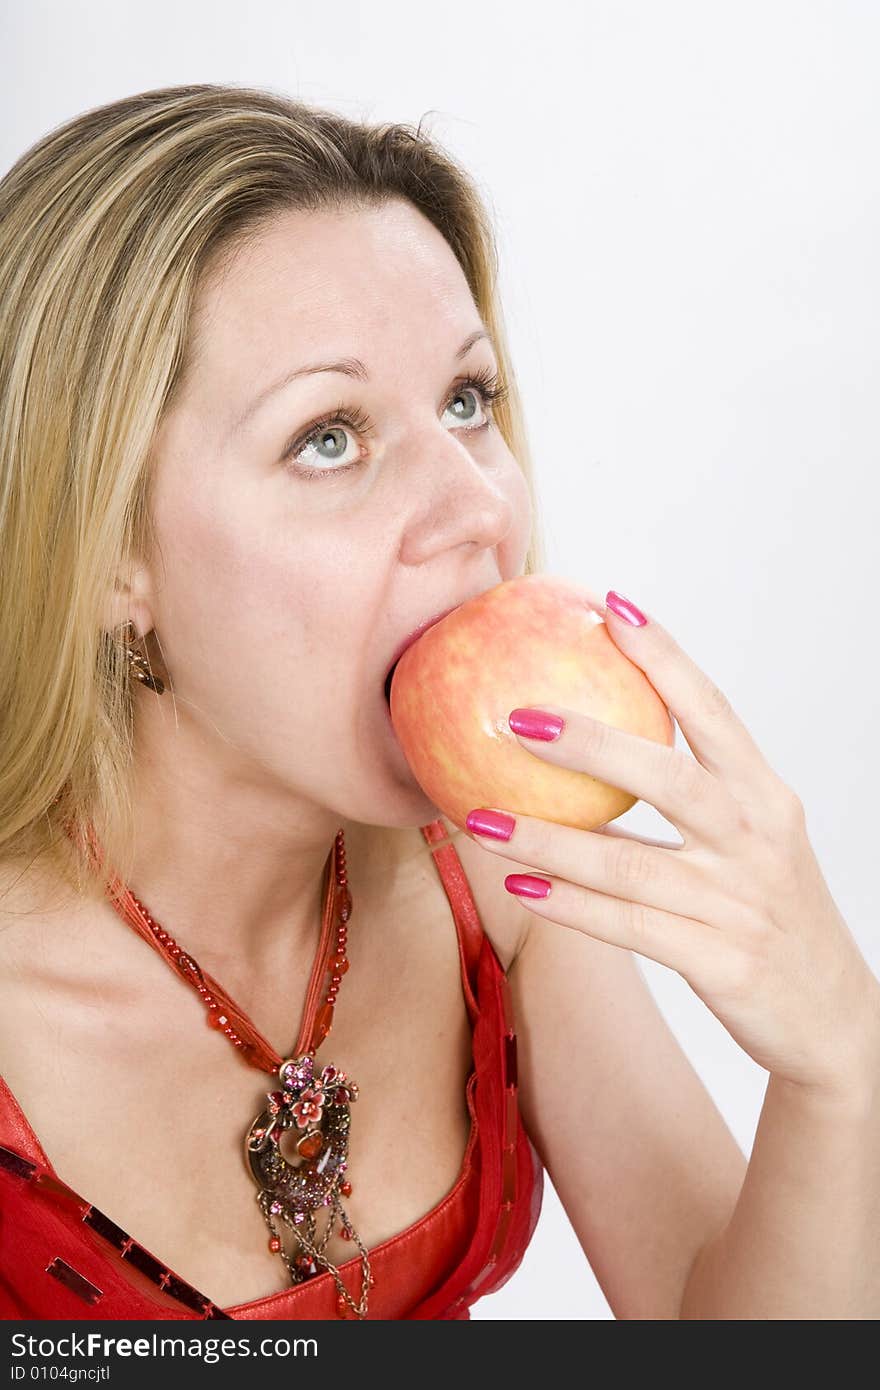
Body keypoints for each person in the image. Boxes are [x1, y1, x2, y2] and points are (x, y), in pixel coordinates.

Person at [1, 84, 877, 1324]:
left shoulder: (504, 894)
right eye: (328, 436)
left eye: (469, 400)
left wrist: (840, 1064)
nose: (478, 504)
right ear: (105, 557)